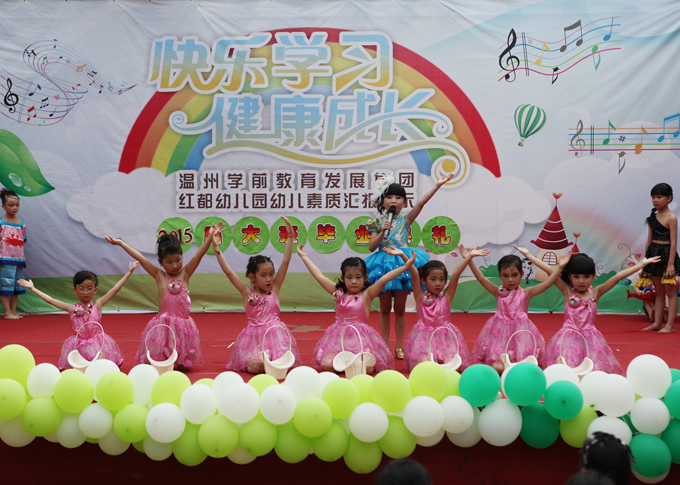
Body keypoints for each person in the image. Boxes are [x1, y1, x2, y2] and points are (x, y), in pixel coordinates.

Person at [105, 224, 220, 371]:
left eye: (178, 260)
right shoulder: (159, 275)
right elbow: (140, 257)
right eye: (169, 262)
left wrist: (210, 237)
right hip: (163, 325)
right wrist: (121, 243)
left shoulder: (186, 273)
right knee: (160, 364)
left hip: (182, 326)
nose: (175, 266)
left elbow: (199, 254)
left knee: (183, 367)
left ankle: (180, 359)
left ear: (182, 257)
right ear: (160, 262)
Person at [527, 250, 660, 375]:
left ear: (593, 276)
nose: (581, 281)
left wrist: (641, 265)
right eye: (576, 277)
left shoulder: (596, 293)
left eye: (586, 276)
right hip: (568, 340)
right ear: (570, 277)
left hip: (591, 341)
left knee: (593, 369)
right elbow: (549, 270)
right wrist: (529, 255)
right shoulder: (567, 292)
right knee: (568, 369)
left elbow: (618, 276)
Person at [365, 172, 453, 360]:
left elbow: (421, 203)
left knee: (400, 308)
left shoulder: (405, 220)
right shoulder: (376, 222)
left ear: (404, 203)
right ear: (382, 202)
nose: (393, 201)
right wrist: (381, 231)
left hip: (402, 262)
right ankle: (385, 345)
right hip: (382, 265)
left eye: (398, 198)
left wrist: (437, 185)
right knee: (384, 308)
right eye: (389, 197)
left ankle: (399, 345)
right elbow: (372, 246)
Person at [297, 244, 415, 373]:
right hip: (339, 340)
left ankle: (350, 364)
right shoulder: (338, 292)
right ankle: (347, 364)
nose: (354, 281)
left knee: (368, 368)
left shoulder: (367, 295)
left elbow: (384, 279)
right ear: (343, 278)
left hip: (361, 340)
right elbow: (319, 276)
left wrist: (406, 265)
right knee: (326, 366)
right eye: (349, 277)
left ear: (365, 278)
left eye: (358, 277)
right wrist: (304, 257)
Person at [213, 217, 302, 374]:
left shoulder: (275, 289)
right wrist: (216, 248)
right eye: (263, 275)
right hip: (255, 341)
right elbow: (228, 272)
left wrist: (290, 236)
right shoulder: (246, 292)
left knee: (284, 364)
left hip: (277, 338)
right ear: (252, 277)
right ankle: (266, 362)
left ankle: (274, 362)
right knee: (255, 367)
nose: (269, 279)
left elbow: (286, 261)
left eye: (271, 274)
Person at [386, 244, 489, 373]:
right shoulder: (419, 296)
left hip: (445, 341)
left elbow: (456, 274)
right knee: (425, 366)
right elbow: (414, 273)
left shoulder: (447, 297)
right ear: (423, 280)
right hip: (424, 342)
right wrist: (403, 255)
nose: (438, 283)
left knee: (451, 366)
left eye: (441, 279)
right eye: (433, 279)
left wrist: (469, 257)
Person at [467, 247, 571, 373]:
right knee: (497, 368)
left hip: (521, 336)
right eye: (505, 276)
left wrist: (560, 268)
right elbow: (481, 278)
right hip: (500, 337)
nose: (510, 279)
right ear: (500, 276)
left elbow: (547, 283)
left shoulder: (526, 293)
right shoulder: (497, 292)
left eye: (514, 275)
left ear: (522, 274)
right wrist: (469, 259)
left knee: (522, 366)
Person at [19, 264, 139, 370]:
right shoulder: (71, 308)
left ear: (95, 290)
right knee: (80, 369)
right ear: (75, 290)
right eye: (81, 288)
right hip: (78, 346)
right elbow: (50, 300)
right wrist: (32, 288)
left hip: (99, 345)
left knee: (99, 368)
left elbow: (115, 289)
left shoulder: (98, 304)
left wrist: (129, 272)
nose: (85, 292)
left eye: (89, 288)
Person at [642, 183, 679, 333]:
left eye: (659, 197)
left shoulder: (671, 218)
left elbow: (674, 242)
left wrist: (670, 264)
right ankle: (657, 323)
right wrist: (645, 262)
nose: (655, 200)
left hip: (667, 256)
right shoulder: (652, 218)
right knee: (658, 291)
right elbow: (649, 241)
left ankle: (670, 326)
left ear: (669, 198)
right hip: (654, 255)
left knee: (670, 292)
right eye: (653, 197)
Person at [1, 189, 26, 320]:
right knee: (6, 285)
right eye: (11, 205)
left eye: (17, 205)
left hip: (19, 260)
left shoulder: (21, 224)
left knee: (17, 285)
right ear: (3, 206)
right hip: (5, 259)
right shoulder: (1, 223)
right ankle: (7, 312)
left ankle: (14, 311)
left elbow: (23, 240)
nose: (15, 208)